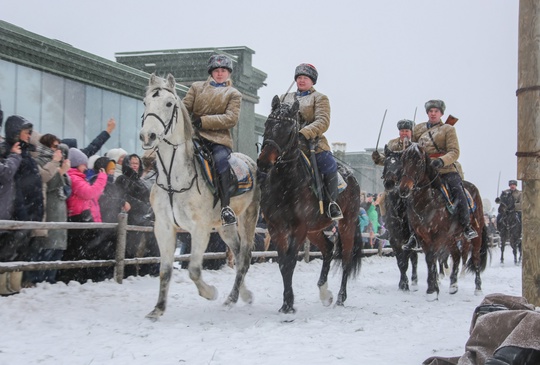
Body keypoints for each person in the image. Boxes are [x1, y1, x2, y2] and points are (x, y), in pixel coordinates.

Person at [403, 99, 477, 250]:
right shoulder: (418, 129)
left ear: (441, 113)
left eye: (436, 111)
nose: (433, 113)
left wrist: (441, 161)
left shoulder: (448, 129)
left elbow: (454, 152)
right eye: (430, 111)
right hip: (424, 172)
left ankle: (466, 225)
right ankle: (413, 234)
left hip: (445, 169)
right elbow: (414, 150)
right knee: (408, 197)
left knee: (457, 190)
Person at [182, 54, 242, 225]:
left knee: (220, 161)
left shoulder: (233, 94)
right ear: (211, 72)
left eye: (223, 70)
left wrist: (203, 121)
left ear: (229, 73)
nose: (220, 73)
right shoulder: (196, 87)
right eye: (217, 70)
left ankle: (225, 207)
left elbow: (231, 118)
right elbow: (184, 108)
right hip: (194, 136)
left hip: (218, 140)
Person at [280, 63, 343, 220]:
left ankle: (331, 203)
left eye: (305, 78)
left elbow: (323, 121)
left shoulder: (320, 98)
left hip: (312, 144)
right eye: (299, 77)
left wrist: (303, 133)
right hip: (286, 145)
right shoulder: (284, 97)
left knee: (329, 164)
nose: (301, 80)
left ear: (312, 81)